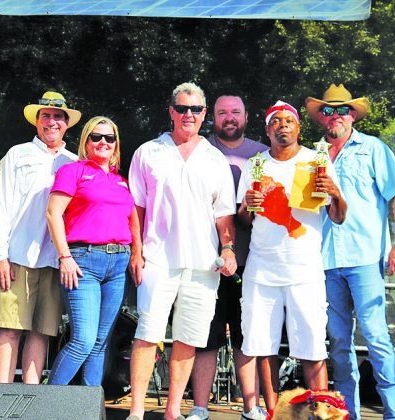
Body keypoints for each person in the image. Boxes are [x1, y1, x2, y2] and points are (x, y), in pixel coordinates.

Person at [127, 82, 238, 420]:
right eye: (182, 108)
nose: (189, 114)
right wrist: (136, 251)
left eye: (196, 109)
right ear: (171, 111)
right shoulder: (148, 152)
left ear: (204, 115)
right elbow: (136, 207)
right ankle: (135, 411)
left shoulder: (216, 158)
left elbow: (224, 214)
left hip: (204, 265)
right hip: (157, 259)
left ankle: (173, 411)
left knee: (188, 339)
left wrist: (229, 249)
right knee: (147, 335)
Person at [306, 84, 395, 420]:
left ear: (352, 114)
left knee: (377, 337)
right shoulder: (313, 155)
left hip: (365, 258)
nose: (334, 116)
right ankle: (348, 414)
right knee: (337, 343)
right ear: (321, 118)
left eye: (340, 110)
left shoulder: (374, 149)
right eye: (327, 110)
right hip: (325, 261)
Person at [236, 100, 347, 414]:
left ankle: (321, 412)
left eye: (288, 120)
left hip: (304, 269)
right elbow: (244, 221)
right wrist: (247, 205)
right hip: (262, 270)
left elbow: (338, 217)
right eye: (275, 121)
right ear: (267, 129)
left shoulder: (317, 161)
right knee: (262, 346)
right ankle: (274, 413)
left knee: (312, 346)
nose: (282, 125)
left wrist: (335, 192)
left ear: (298, 127)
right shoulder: (255, 165)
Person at [0, 91, 81, 384]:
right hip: (17, 256)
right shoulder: (17, 154)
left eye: (57, 117)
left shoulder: (75, 162)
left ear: (67, 124)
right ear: (37, 122)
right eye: (46, 116)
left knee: (42, 331)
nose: (51, 122)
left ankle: (31, 398)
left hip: (56, 260)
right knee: (10, 329)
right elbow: (0, 205)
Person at [188, 95, 269, 420]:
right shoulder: (199, 150)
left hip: (252, 261)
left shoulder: (263, 155)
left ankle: (251, 407)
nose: (229, 118)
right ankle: (199, 408)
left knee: (245, 335)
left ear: (246, 116)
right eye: (223, 113)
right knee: (205, 337)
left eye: (235, 112)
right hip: (205, 261)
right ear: (213, 117)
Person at [45, 116, 140, 385]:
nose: (103, 142)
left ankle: (91, 409)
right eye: (96, 137)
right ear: (86, 141)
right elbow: (53, 215)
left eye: (109, 138)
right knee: (83, 340)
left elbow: (132, 219)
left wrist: (136, 253)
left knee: (100, 342)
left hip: (117, 264)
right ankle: (46, 406)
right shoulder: (72, 171)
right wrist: (65, 257)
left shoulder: (122, 181)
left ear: (116, 144)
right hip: (83, 262)